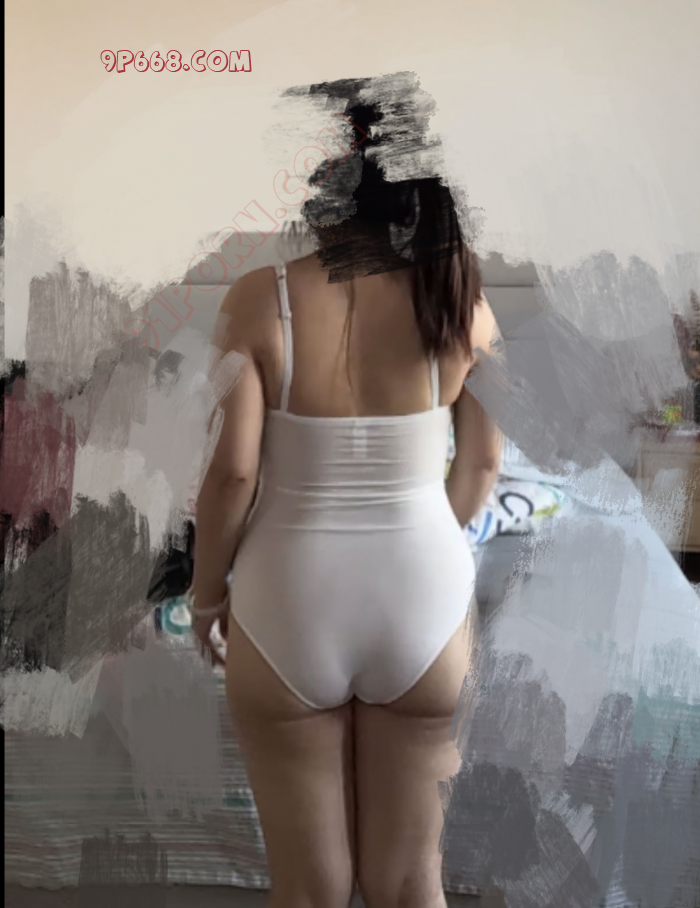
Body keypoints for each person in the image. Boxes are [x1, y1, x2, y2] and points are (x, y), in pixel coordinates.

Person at [190, 103, 503, 908]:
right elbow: (483, 461)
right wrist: (429, 543)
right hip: (423, 594)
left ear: (319, 193)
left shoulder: (257, 299)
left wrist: (206, 598)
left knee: (309, 891)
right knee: (411, 883)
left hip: (289, 595)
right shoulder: (462, 301)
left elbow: (232, 476)